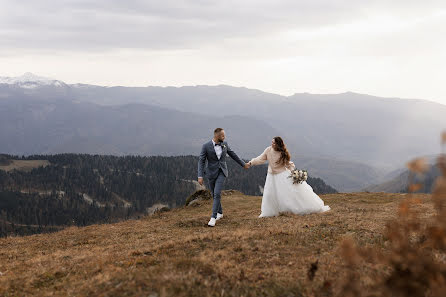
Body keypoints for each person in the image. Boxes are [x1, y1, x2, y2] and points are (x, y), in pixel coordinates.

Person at [248, 136, 330, 217]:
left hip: (282, 175)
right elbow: (260, 159)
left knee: (285, 194)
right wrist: (251, 163)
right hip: (271, 176)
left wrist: (294, 173)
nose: (272, 144)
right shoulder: (268, 150)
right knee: (270, 194)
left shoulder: (282, 153)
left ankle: (288, 210)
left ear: (278, 144)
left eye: (274, 143)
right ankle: (270, 212)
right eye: (272, 142)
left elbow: (288, 164)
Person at [198, 128, 250, 227]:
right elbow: (201, 161)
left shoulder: (224, 144)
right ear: (216, 135)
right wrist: (200, 176)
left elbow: (233, 155)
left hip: (222, 172)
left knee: (217, 193)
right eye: (222, 135)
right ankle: (220, 213)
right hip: (211, 173)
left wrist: (243, 164)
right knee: (214, 194)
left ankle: (213, 218)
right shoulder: (206, 146)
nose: (224, 137)